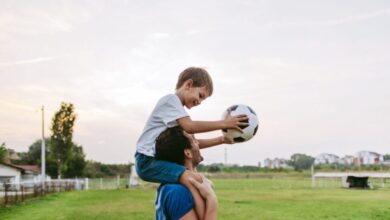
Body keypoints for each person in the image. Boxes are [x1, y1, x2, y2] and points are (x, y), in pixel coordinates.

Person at [135, 67, 248, 218]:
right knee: (192, 180)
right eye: (200, 95)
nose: (200, 102)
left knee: (194, 179)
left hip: (153, 161)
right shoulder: (170, 101)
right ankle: (205, 214)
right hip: (147, 161)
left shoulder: (175, 114)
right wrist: (224, 123)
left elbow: (190, 144)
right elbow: (190, 126)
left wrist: (221, 140)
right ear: (188, 84)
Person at [154, 126, 218, 220]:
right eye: (194, 140)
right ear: (188, 153)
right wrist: (212, 199)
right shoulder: (177, 191)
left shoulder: (173, 187)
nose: (198, 143)